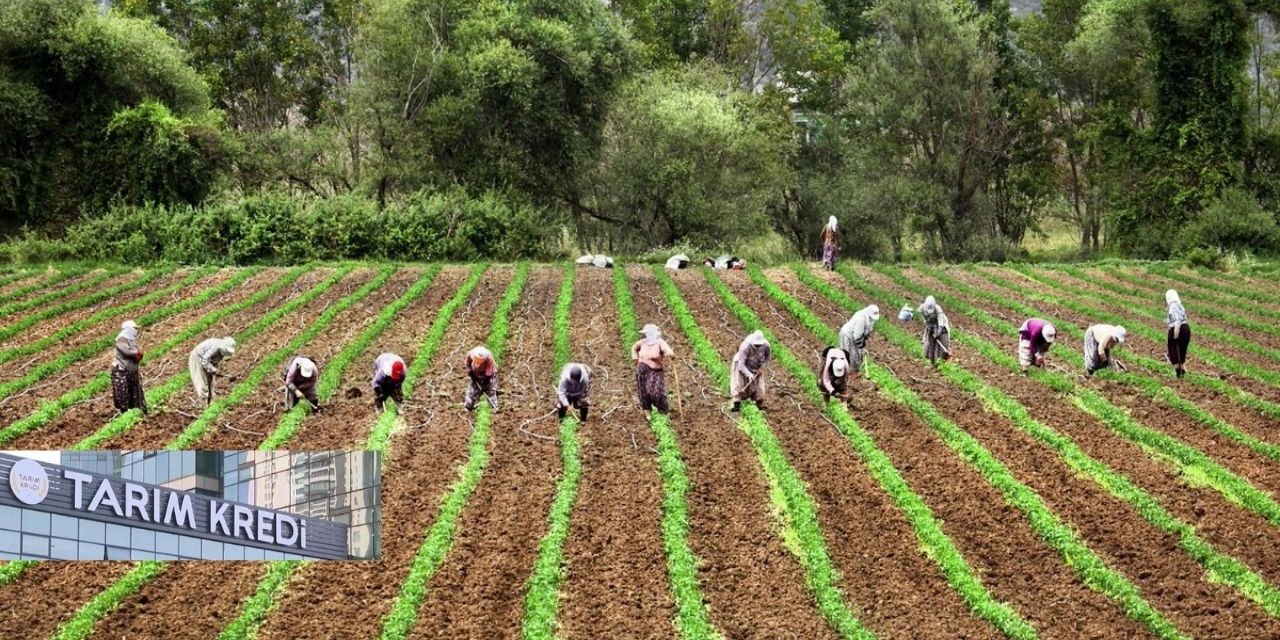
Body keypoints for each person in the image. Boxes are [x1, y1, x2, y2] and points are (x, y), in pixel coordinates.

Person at [631, 324, 674, 413]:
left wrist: (670, 353)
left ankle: (663, 410)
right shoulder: (642, 342)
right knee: (643, 391)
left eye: (649, 333)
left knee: (655, 392)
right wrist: (635, 357)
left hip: (655, 371)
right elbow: (634, 347)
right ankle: (647, 412)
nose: (647, 336)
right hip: (642, 369)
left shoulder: (660, 342)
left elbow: (666, 349)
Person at [111, 320, 147, 414]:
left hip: (131, 370)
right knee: (123, 393)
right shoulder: (121, 339)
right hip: (121, 370)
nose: (136, 331)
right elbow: (126, 351)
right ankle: (125, 412)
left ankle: (138, 410)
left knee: (135, 392)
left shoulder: (131, 339)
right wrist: (137, 353)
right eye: (134, 328)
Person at [730, 330, 771, 411]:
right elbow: (741, 364)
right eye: (756, 345)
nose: (758, 346)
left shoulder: (766, 346)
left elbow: (767, 358)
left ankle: (759, 405)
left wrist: (761, 367)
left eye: (759, 345)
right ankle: (736, 405)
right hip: (742, 364)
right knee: (739, 383)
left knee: (759, 387)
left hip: (756, 365)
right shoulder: (745, 346)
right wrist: (749, 375)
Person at [189, 336, 235, 405]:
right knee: (202, 381)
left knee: (211, 382)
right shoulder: (215, 347)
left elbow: (213, 361)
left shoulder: (221, 352)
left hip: (207, 361)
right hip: (198, 357)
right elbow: (205, 360)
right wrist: (212, 369)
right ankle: (203, 403)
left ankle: (211, 401)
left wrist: (213, 369)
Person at [838, 305, 880, 376]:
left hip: (856, 336)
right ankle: (845, 373)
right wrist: (862, 348)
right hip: (847, 335)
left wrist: (863, 345)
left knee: (857, 355)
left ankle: (854, 372)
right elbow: (857, 337)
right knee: (849, 354)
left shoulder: (871, 319)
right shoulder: (861, 318)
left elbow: (866, 333)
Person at [917, 295, 951, 366]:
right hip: (931, 324)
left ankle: (941, 360)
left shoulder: (938, 309)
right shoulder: (922, 308)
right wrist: (929, 326)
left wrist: (938, 333)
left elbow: (941, 322)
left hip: (941, 326)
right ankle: (931, 360)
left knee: (943, 340)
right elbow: (925, 319)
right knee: (930, 343)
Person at [1165, 289, 1191, 379]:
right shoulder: (1180, 305)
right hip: (1185, 329)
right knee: (1181, 352)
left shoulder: (1173, 306)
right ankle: (1182, 372)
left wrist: (1175, 333)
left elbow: (1177, 319)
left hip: (1178, 329)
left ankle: (1179, 373)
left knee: (1174, 352)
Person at [464, 345, 499, 412]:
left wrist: (486, 381)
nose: (479, 362)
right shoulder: (471, 354)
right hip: (475, 375)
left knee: (490, 391)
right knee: (472, 392)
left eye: (481, 361)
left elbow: (490, 372)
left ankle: (493, 408)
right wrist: (471, 372)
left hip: (488, 377)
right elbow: (467, 364)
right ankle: (468, 407)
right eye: (477, 360)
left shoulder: (489, 359)